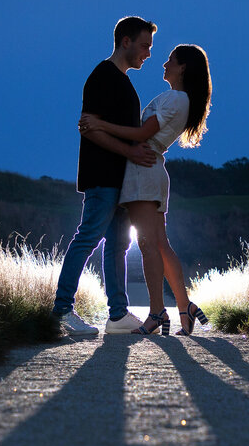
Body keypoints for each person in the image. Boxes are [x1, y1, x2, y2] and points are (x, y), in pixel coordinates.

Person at [79, 44, 212, 336]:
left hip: (143, 171)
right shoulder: (178, 99)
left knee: (149, 246)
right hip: (151, 171)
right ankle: (184, 307)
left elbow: (142, 134)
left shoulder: (176, 99)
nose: (163, 63)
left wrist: (99, 123)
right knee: (160, 245)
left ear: (183, 68)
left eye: (170, 60)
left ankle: (156, 313)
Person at [52, 16, 158, 337]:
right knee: (88, 238)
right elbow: (89, 128)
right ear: (125, 41)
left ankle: (118, 315)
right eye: (144, 46)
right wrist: (130, 152)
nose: (148, 53)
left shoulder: (123, 81)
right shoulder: (102, 76)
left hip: (121, 180)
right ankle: (60, 311)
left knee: (117, 246)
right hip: (103, 177)